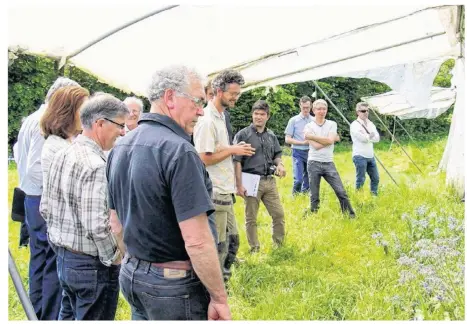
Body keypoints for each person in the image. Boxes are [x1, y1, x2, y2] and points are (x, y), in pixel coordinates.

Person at [107, 65, 231, 320]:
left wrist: (137, 263)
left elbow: (115, 223)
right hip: (172, 287)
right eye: (197, 100)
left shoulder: (120, 147)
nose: (200, 110)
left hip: (132, 275)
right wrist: (219, 297)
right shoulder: (180, 152)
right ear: (170, 98)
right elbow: (197, 240)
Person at [40, 93, 128, 320]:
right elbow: (98, 226)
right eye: (120, 125)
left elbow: (45, 207)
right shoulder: (95, 165)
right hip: (91, 266)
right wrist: (116, 258)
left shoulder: (62, 152)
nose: (123, 132)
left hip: (65, 259)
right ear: (100, 123)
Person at [16, 76, 79, 320]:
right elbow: (35, 167)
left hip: (31, 194)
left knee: (39, 257)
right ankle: (48, 314)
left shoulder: (32, 118)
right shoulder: (44, 122)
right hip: (40, 196)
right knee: (51, 260)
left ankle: (37, 310)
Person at [193, 69, 255, 281]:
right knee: (218, 245)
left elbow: (218, 150)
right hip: (214, 191)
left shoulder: (221, 117)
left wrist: (232, 148)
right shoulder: (207, 120)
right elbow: (203, 158)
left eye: (238, 93)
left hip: (226, 191)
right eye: (233, 94)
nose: (236, 98)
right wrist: (233, 150)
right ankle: (214, 291)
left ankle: (224, 281)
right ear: (218, 91)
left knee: (232, 241)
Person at [38, 85, 89, 319]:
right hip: (70, 236)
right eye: (84, 109)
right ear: (68, 112)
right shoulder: (58, 148)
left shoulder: (68, 143)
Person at [234, 100, 286, 253]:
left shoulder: (271, 135)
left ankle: (279, 245)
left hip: (269, 181)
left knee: (278, 214)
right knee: (251, 218)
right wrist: (238, 185)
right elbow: (236, 161)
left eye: (262, 114)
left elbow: (277, 154)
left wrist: (280, 165)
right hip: (250, 180)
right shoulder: (243, 135)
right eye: (256, 114)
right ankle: (254, 248)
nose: (258, 117)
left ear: (267, 117)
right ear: (252, 115)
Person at [304, 99, 356, 218]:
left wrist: (311, 136)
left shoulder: (332, 124)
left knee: (341, 191)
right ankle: (313, 215)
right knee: (314, 194)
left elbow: (329, 140)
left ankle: (350, 215)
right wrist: (328, 140)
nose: (322, 111)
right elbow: (316, 146)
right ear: (313, 110)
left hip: (328, 163)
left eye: (324, 109)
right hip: (313, 162)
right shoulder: (309, 125)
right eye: (319, 109)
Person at [285, 96, 314, 195]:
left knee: (309, 177)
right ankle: (295, 197)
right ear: (300, 106)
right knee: (298, 179)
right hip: (297, 151)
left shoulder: (314, 120)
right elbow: (287, 139)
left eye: (308, 107)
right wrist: (302, 143)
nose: (306, 110)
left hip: (311, 152)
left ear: (311, 106)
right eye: (304, 107)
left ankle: (304, 198)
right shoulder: (293, 120)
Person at [350, 102, 380, 195]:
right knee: (361, 178)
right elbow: (362, 139)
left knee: (375, 178)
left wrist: (368, 136)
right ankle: (359, 197)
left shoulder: (371, 123)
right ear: (358, 112)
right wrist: (369, 136)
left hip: (370, 155)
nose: (366, 113)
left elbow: (377, 138)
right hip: (359, 155)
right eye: (363, 111)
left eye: (367, 111)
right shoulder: (355, 125)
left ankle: (373, 196)